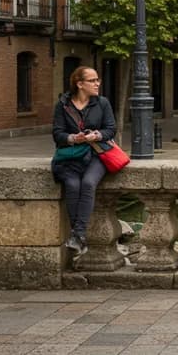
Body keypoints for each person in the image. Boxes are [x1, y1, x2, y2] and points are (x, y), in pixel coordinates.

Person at [51, 66, 117, 257]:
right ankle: (78, 237)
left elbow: (111, 129)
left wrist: (97, 135)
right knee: (72, 185)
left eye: (98, 80)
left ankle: (77, 235)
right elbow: (57, 134)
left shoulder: (102, 103)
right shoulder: (63, 105)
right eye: (93, 80)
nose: (98, 83)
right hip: (70, 157)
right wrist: (73, 138)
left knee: (88, 183)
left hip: (96, 155)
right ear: (80, 84)